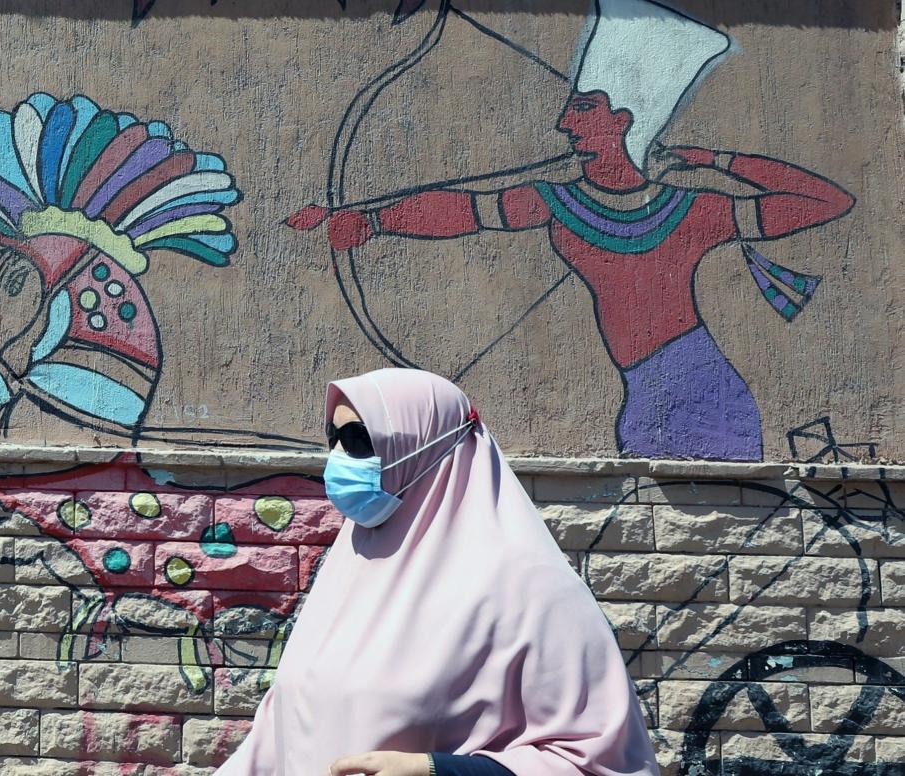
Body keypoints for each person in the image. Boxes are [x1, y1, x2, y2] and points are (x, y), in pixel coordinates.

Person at [290, 0, 853, 462]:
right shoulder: (560, 202)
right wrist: (374, 221)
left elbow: (828, 201)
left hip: (702, 393)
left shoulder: (693, 210)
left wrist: (717, 157)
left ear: (623, 121)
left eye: (582, 108)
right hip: (644, 393)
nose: (564, 124)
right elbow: (467, 209)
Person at [215, 368, 658, 775]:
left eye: (358, 438)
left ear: (425, 445)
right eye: (332, 437)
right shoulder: (351, 566)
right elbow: (282, 731)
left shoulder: (530, 588)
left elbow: (601, 762)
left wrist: (436, 771)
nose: (336, 457)